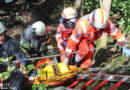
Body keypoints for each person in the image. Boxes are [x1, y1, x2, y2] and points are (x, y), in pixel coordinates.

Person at [63, 8, 130, 68]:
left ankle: (82, 70)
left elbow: (116, 33)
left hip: (90, 40)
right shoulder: (82, 26)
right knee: (84, 50)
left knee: (88, 60)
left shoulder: (106, 23)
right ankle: (74, 62)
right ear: (92, 21)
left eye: (100, 28)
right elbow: (72, 42)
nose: (98, 29)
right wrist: (67, 57)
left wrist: (123, 45)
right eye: (96, 27)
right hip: (81, 40)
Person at [0, 22, 36, 90]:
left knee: (20, 79)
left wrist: (32, 72)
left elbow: (23, 57)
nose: (0, 38)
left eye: (1, 34)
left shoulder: (11, 43)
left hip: (10, 74)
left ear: (4, 33)